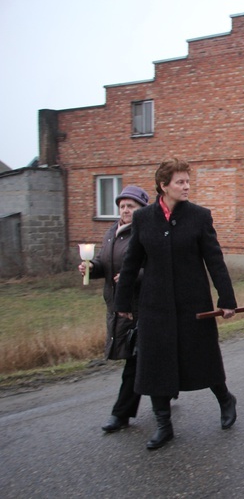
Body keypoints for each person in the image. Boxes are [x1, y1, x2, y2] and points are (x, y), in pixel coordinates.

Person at [114, 158, 238, 450]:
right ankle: (163, 425)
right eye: (180, 182)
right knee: (154, 364)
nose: (186, 186)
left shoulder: (199, 216)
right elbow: (131, 262)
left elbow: (215, 260)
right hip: (154, 305)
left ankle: (225, 399)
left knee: (203, 357)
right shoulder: (144, 218)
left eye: (187, 181)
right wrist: (123, 301)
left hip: (192, 302)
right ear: (163, 186)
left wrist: (227, 298)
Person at [79, 185, 149, 433]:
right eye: (122, 206)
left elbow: (156, 269)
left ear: (142, 209)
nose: (126, 210)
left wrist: (134, 276)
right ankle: (167, 388)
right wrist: (92, 267)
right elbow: (104, 262)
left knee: (134, 361)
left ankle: (120, 414)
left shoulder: (144, 233)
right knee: (142, 360)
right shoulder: (111, 233)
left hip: (139, 307)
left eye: (132, 206)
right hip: (116, 305)